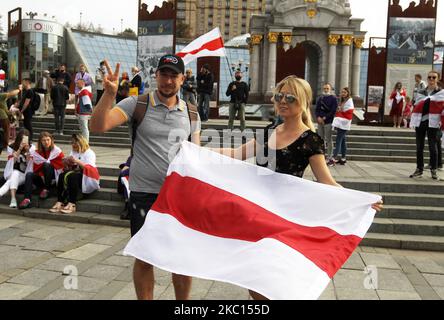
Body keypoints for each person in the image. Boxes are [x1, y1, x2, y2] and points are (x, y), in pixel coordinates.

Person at [212, 75, 383, 300]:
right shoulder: (269, 132)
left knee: (272, 281)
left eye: (290, 97)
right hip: (258, 217)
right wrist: (196, 150)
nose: (282, 101)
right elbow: (234, 155)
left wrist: (360, 200)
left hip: (286, 220)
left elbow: (326, 182)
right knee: (254, 281)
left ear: (302, 101)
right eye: (279, 96)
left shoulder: (309, 140)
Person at [90, 54, 201, 300]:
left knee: (181, 260)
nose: (168, 80)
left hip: (177, 198)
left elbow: (196, 156)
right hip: (143, 194)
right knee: (144, 258)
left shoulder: (192, 114)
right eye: (164, 74)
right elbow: (98, 126)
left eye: (174, 75)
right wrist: (108, 94)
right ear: (156, 76)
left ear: (182, 79)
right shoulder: (137, 104)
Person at [49, 133, 100, 214]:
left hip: (86, 177)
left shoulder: (89, 153)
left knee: (73, 176)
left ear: (81, 142)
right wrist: (66, 162)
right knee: (62, 175)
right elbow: (70, 167)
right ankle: (60, 201)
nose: (73, 145)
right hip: (75, 173)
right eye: (72, 143)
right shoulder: (73, 152)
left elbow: (89, 169)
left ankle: (72, 203)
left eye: (75, 143)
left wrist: (77, 161)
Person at [409, 70, 444, 181]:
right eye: (429, 77)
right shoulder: (421, 92)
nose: (431, 79)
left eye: (434, 77)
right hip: (421, 121)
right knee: (419, 146)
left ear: (438, 79)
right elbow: (416, 104)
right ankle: (419, 169)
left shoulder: (441, 93)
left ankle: (434, 169)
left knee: (433, 147)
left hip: (434, 122)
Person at [18, 131, 64, 209]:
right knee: (29, 174)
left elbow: (61, 167)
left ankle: (46, 189)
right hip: (41, 177)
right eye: (44, 140)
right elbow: (36, 168)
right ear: (40, 142)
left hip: (53, 178)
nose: (46, 142)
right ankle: (27, 199)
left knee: (46, 164)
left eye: (48, 140)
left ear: (51, 140)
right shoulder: (37, 153)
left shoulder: (57, 151)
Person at [0, 129, 33, 208]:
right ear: (18, 139)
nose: (23, 141)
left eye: (25, 139)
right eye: (21, 139)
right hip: (14, 172)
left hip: (25, 174)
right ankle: (13, 199)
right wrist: (20, 149)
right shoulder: (12, 147)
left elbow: (29, 163)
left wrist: (28, 150)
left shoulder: (31, 147)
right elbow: (12, 161)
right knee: (14, 174)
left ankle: (13, 200)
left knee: (9, 181)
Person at [329, 87, 354, 166]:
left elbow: (348, 112)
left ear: (348, 93)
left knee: (338, 140)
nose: (343, 94)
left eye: (344, 92)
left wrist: (340, 111)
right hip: (342, 122)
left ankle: (333, 159)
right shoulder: (344, 100)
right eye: (342, 92)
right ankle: (343, 159)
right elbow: (341, 110)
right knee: (343, 141)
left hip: (344, 123)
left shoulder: (349, 101)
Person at [315, 83, 338, 162]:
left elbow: (333, 111)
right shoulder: (320, 98)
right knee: (320, 139)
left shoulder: (333, 99)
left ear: (330, 89)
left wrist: (325, 118)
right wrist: (318, 117)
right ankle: (321, 155)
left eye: (327, 88)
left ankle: (329, 156)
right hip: (320, 122)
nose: (325, 90)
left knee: (328, 139)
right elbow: (317, 109)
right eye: (324, 88)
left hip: (328, 121)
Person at [0, 86, 22, 151]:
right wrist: (19, 89)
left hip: (3, 115)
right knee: (7, 131)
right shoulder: (1, 96)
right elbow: (11, 94)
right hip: (2, 117)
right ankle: (5, 145)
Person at [18, 79, 36, 143]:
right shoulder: (26, 91)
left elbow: (26, 102)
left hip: (28, 111)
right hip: (26, 111)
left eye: (23, 82)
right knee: (26, 125)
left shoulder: (30, 91)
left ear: (27, 82)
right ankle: (27, 139)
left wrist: (22, 111)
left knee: (28, 125)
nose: (22, 83)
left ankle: (30, 139)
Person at [117, 155, 132, 220]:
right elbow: (123, 171)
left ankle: (128, 207)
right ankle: (127, 206)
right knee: (126, 179)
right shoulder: (132, 156)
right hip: (132, 178)